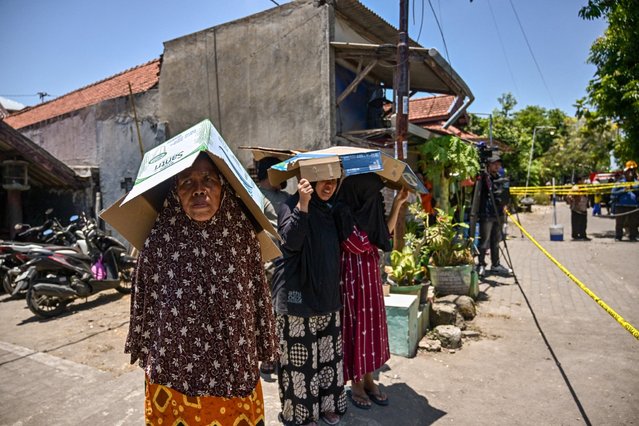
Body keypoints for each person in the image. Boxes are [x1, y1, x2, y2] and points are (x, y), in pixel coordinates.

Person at [125, 153, 278, 425]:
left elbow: (258, 297)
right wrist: (142, 345)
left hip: (234, 374)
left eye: (208, 179)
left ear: (223, 187)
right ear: (175, 191)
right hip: (173, 376)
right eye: (186, 182)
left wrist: (265, 344)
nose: (199, 189)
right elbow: (143, 304)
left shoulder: (241, 237)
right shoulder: (159, 241)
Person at [272, 177, 347, 426]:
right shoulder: (289, 204)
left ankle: (327, 407)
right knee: (299, 362)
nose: (329, 186)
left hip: (327, 296)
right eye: (324, 181)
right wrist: (303, 204)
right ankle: (302, 416)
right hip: (296, 297)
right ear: (310, 180)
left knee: (328, 357)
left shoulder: (329, 209)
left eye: (334, 182)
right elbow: (291, 242)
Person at [334, 174, 409, 410]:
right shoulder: (342, 211)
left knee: (371, 328)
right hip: (352, 280)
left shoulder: (369, 212)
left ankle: (369, 379)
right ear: (359, 193)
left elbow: (383, 234)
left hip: (370, 279)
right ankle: (356, 383)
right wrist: (377, 234)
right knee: (356, 328)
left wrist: (397, 204)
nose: (375, 200)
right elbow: (357, 243)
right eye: (372, 195)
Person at [256, 156, 290, 376]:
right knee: (263, 310)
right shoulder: (254, 195)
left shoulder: (286, 197)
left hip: (283, 260)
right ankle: (267, 355)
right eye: (280, 172)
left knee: (279, 310)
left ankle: (278, 352)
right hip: (262, 260)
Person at [477, 154, 512, 277]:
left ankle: (495, 265)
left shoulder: (500, 178)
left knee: (496, 241)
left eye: (499, 163)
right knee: (484, 240)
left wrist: (505, 205)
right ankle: (481, 264)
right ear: (488, 165)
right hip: (486, 213)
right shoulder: (483, 178)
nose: (497, 166)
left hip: (499, 213)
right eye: (494, 163)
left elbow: (504, 195)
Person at [611, 161, 639, 241]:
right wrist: (623, 190)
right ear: (625, 172)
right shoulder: (620, 183)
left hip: (633, 206)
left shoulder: (636, 183)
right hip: (620, 206)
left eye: (632, 171)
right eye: (629, 171)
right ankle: (618, 236)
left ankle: (633, 236)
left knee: (633, 223)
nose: (631, 173)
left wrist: (634, 189)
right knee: (619, 223)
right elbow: (613, 193)